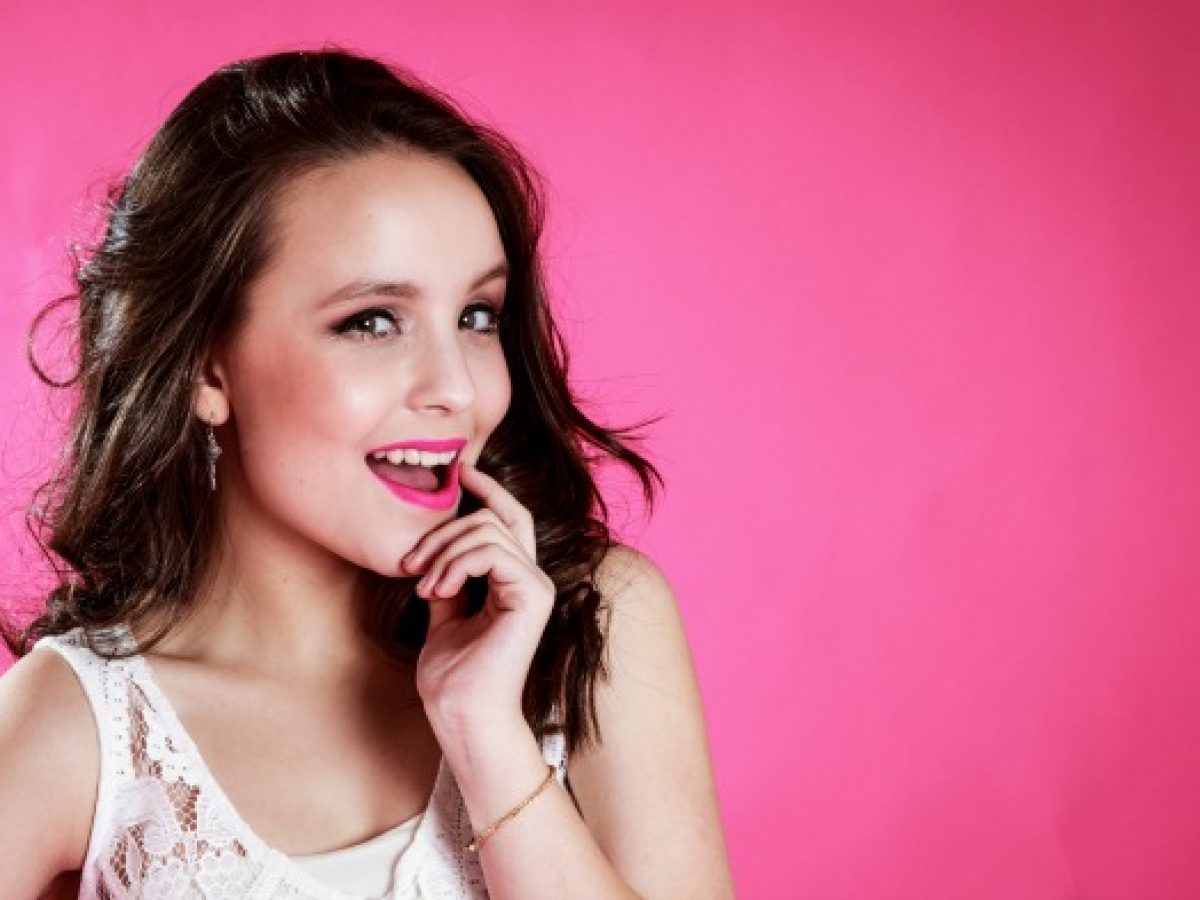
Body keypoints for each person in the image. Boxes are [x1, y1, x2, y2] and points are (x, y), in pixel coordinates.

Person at [0, 48, 734, 899]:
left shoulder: (591, 626)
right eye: (373, 322)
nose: (457, 388)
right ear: (206, 368)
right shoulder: (76, 729)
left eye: (476, 315)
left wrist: (486, 736)